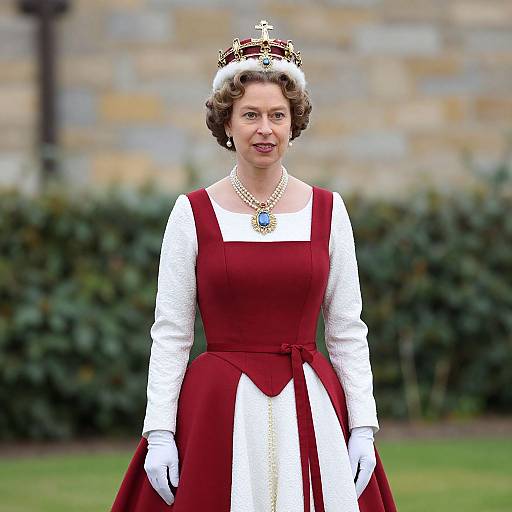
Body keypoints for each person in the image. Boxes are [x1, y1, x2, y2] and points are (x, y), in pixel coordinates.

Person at [111, 20, 397, 512]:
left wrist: (363, 426)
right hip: (219, 408)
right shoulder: (192, 213)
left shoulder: (329, 210)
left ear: (293, 123)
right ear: (226, 123)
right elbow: (172, 332)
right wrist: (159, 430)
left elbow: (347, 329)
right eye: (250, 115)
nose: (264, 129)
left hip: (310, 408)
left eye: (277, 115)